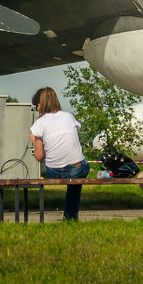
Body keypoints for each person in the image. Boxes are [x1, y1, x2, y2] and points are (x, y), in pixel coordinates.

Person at [29, 87, 90, 221]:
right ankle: (70, 217)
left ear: (40, 104)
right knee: (80, 171)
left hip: (54, 171)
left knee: (72, 177)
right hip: (77, 168)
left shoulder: (39, 124)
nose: (36, 109)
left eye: (36, 106)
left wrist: (35, 140)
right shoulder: (68, 116)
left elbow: (39, 157)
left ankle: (69, 218)